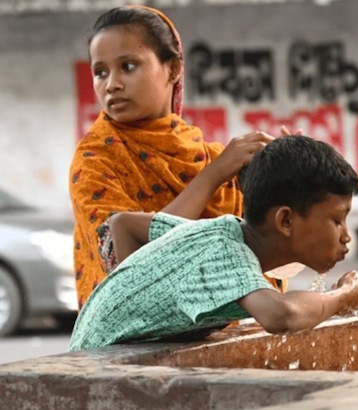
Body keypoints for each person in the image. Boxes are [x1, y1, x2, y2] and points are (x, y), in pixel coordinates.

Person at [69, 135, 358, 351]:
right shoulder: (225, 252)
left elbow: (125, 225)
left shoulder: (219, 230)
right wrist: (342, 297)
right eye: (337, 220)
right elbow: (282, 316)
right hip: (95, 363)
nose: (346, 235)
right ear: (285, 221)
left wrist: (139, 297)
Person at [69, 5, 276, 309]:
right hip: (133, 346)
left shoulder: (215, 159)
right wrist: (212, 177)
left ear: (174, 68)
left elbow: (271, 253)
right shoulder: (94, 161)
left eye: (128, 66)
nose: (111, 84)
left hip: (227, 337)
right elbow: (129, 264)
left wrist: (288, 172)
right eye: (100, 72)